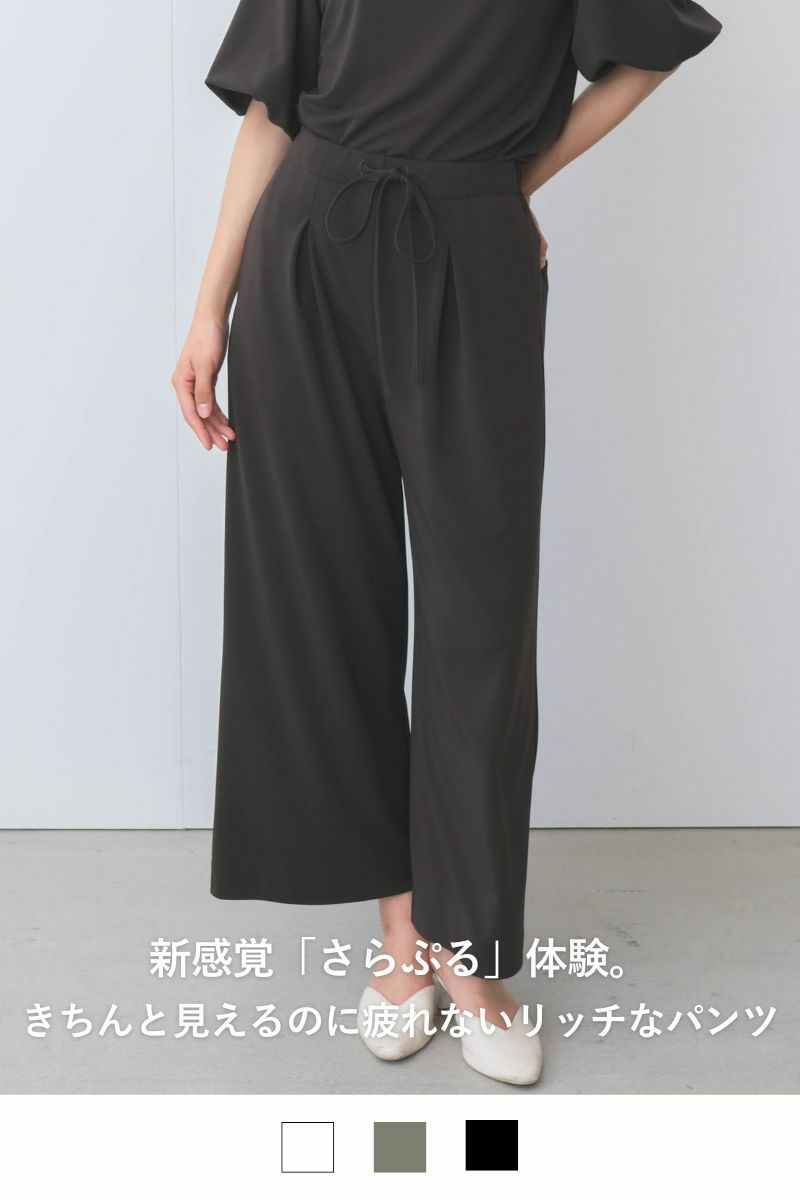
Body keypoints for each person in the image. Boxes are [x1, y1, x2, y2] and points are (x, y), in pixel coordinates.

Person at [172, 0, 721, 1085]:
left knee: (480, 616)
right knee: (329, 597)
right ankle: (403, 936)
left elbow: (649, 50)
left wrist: (511, 180)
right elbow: (273, 111)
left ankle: (469, 953)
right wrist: (207, 310)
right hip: (306, 250)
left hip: (471, 245)